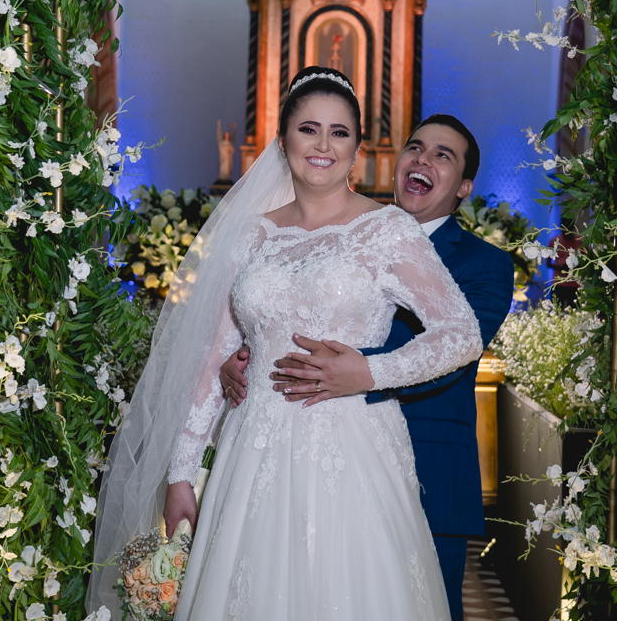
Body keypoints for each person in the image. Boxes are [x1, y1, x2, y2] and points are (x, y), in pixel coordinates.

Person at [90, 68, 483, 621]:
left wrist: (370, 373)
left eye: (339, 132)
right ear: (282, 142)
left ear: (358, 147)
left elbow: (461, 333)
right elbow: (212, 358)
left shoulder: (387, 230)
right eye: (308, 129)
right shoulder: (252, 233)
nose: (323, 145)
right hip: (253, 450)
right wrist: (180, 473)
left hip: (352, 449)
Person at [221, 114, 515, 621]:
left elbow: (453, 352)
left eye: (443, 156)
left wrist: (354, 372)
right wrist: (251, 350)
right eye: (415, 148)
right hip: (310, 453)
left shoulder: (486, 264)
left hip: (430, 467)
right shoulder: (340, 232)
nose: (423, 160)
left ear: (464, 186)